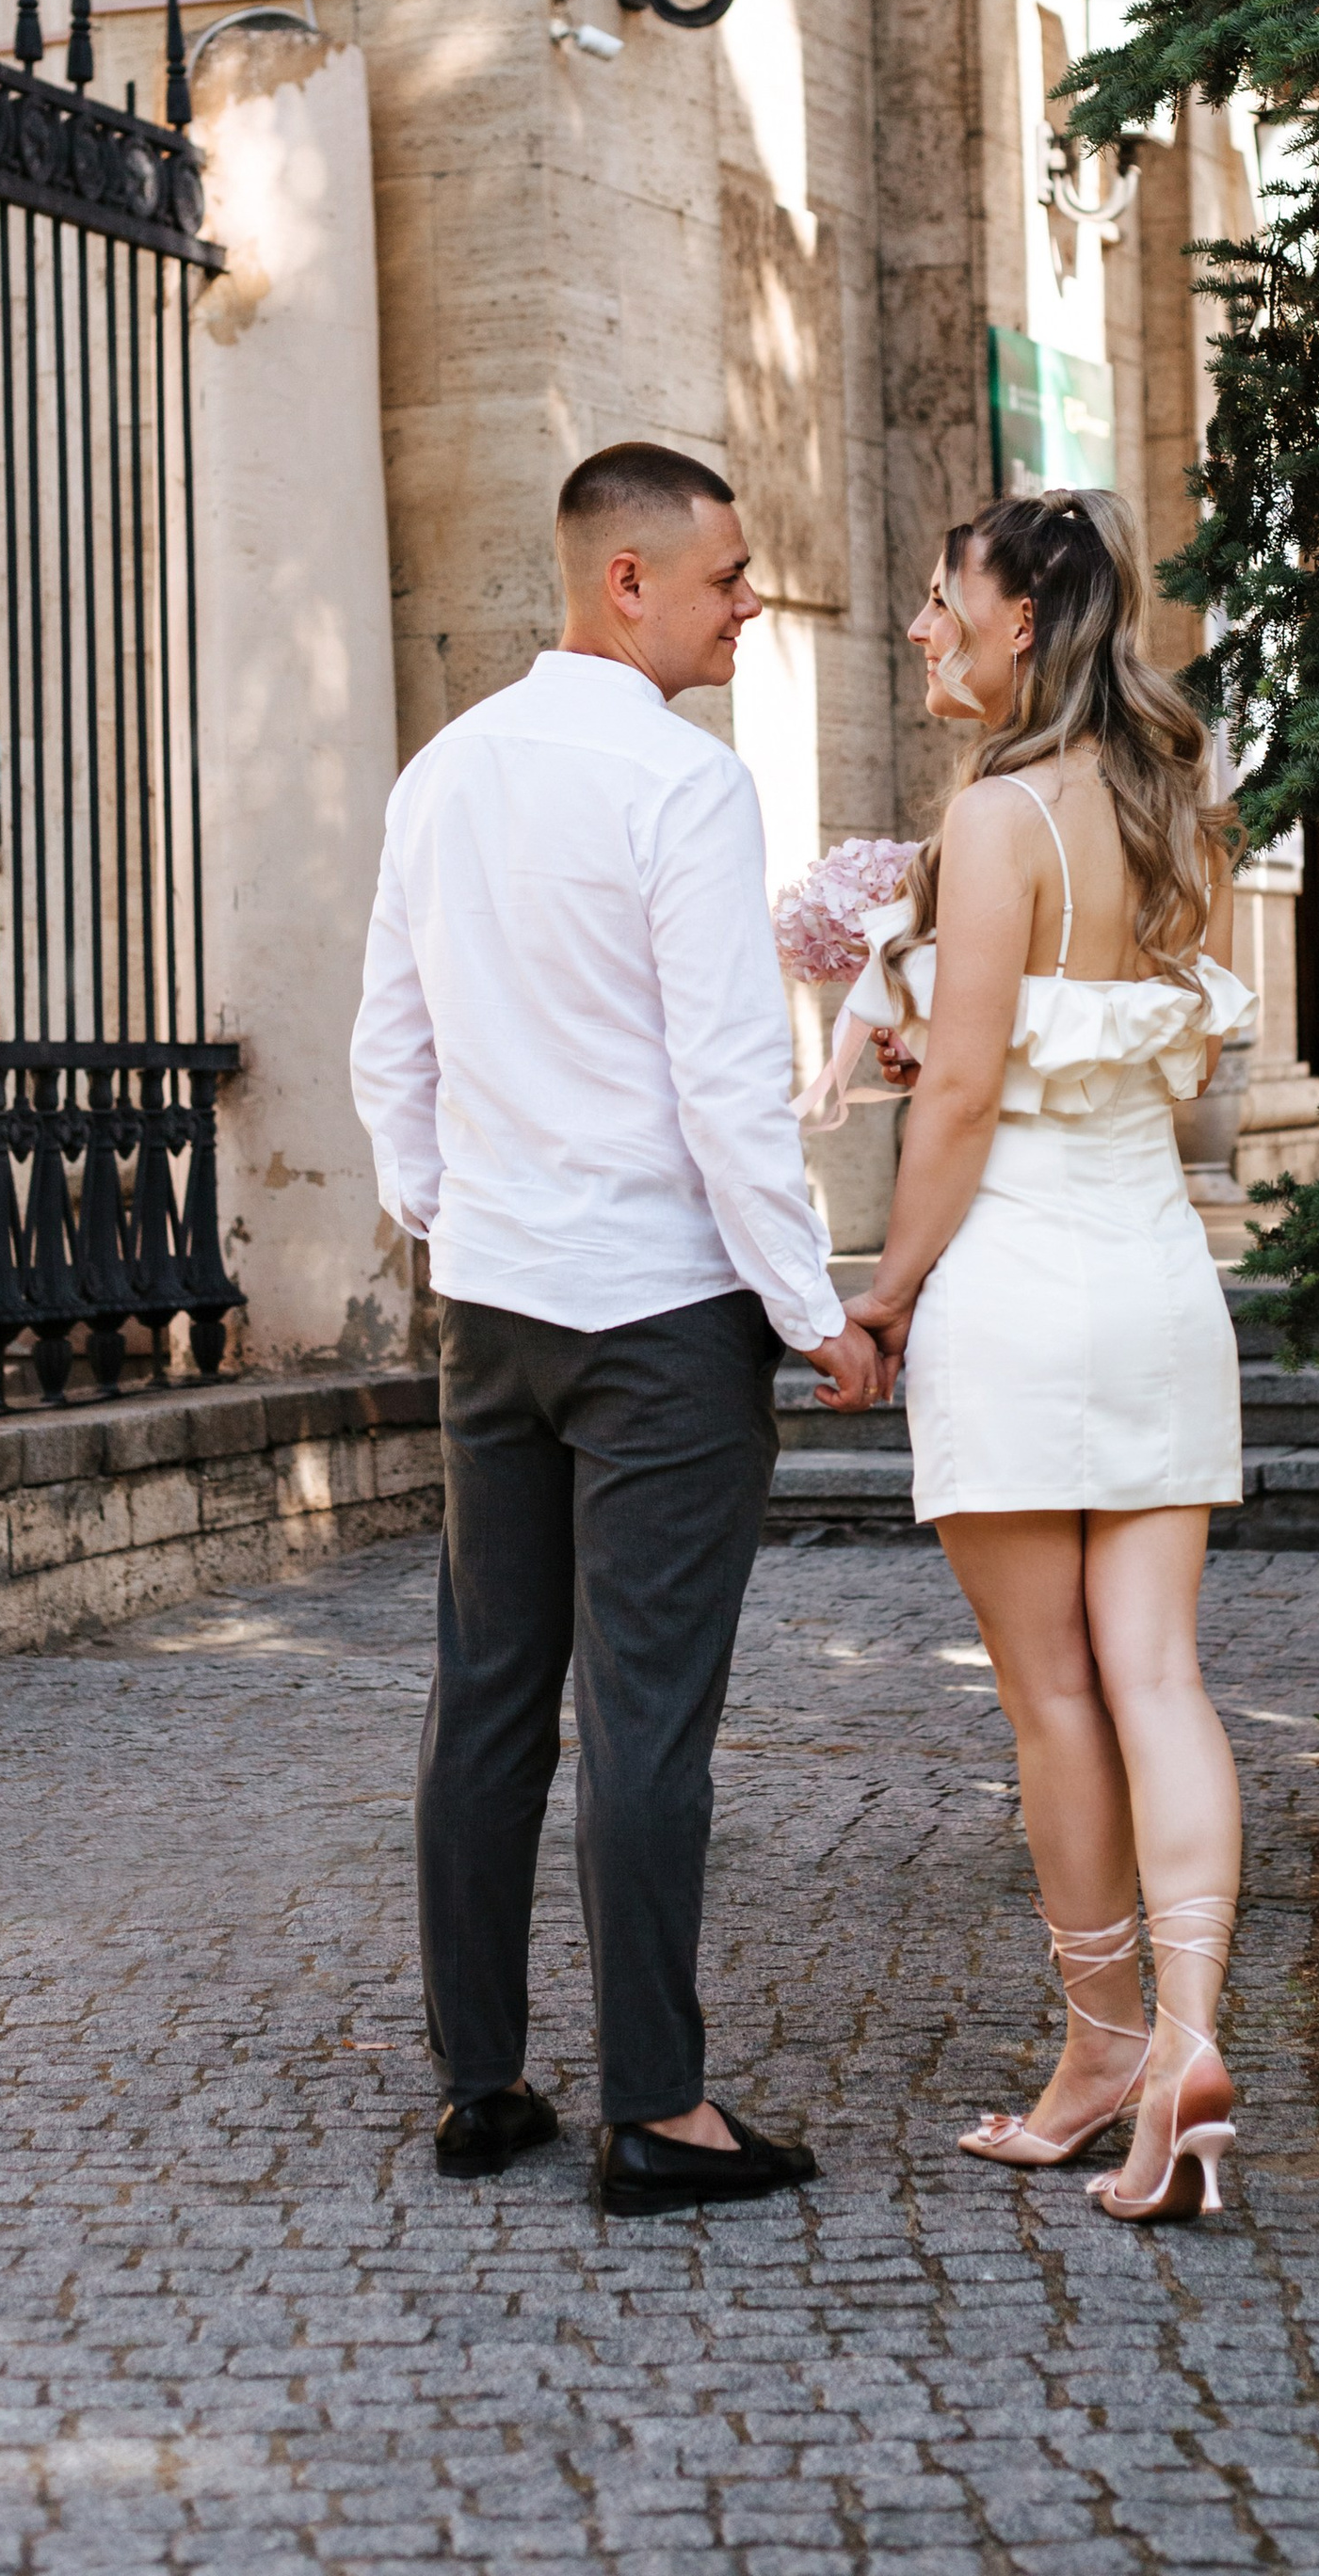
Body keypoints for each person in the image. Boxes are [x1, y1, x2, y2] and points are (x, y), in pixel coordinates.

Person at [350, 442, 883, 2217]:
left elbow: (388, 1052)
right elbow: (731, 1093)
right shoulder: (681, 786)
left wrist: (455, 1219)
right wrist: (816, 1318)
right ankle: (658, 2111)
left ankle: (480, 2088)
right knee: (647, 1719)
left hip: (494, 1309)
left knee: (490, 1694)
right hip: (660, 1316)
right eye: (729, 577)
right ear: (627, 581)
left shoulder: (443, 774)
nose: (752, 606)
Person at [840, 488, 1251, 2224]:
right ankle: (1194, 2038)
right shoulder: (1169, 807)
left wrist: (881, 1291)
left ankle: (1101, 2047)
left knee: (1054, 1697)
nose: (925, 631)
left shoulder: (1000, 818)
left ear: (1023, 624)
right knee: (1159, 1677)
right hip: (1157, 1278)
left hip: (1014, 1281)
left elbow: (960, 1094)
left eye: (945, 603)